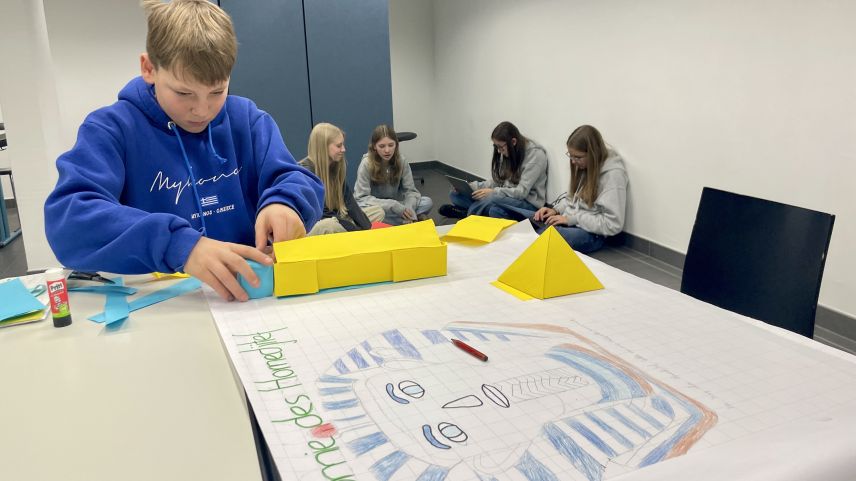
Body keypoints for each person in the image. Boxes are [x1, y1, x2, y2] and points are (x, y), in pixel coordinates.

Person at [43, 0, 324, 302]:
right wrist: (178, 245)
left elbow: (296, 179)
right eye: (183, 93)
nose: (202, 110)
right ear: (149, 68)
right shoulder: (111, 128)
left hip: (248, 302)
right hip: (160, 307)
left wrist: (286, 203)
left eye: (217, 91)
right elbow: (69, 220)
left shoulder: (247, 120)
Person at [530, 124, 628, 254]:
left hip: (591, 233)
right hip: (570, 222)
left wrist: (573, 219)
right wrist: (555, 210)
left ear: (593, 154)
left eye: (578, 157)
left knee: (544, 236)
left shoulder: (613, 176)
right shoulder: (584, 166)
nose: (573, 162)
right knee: (530, 222)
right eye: (571, 156)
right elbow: (571, 199)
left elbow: (613, 224)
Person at [438, 121, 548, 220]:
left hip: (527, 203)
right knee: (455, 195)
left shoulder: (535, 155)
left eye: (501, 147)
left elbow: (521, 192)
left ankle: (468, 214)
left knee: (492, 202)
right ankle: (479, 211)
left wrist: (494, 192)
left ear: (513, 142)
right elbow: (497, 181)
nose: (499, 152)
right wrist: (471, 186)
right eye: (496, 147)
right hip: (504, 197)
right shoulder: (509, 151)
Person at [298, 123, 382, 235]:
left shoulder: (334, 165)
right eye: (339, 146)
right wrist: (356, 232)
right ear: (323, 147)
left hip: (337, 218)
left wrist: (367, 229)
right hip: (316, 224)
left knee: (378, 212)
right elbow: (324, 214)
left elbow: (350, 203)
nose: (343, 149)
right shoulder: (304, 173)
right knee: (328, 225)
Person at [354, 124, 432, 225]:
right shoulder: (366, 164)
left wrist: (409, 208)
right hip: (377, 208)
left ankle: (405, 219)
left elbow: (411, 191)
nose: (387, 150)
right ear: (374, 147)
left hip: (397, 208)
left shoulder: (401, 161)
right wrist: (392, 205)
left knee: (427, 202)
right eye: (382, 146)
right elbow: (361, 198)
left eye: (391, 145)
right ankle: (411, 220)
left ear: (396, 145)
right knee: (366, 214)